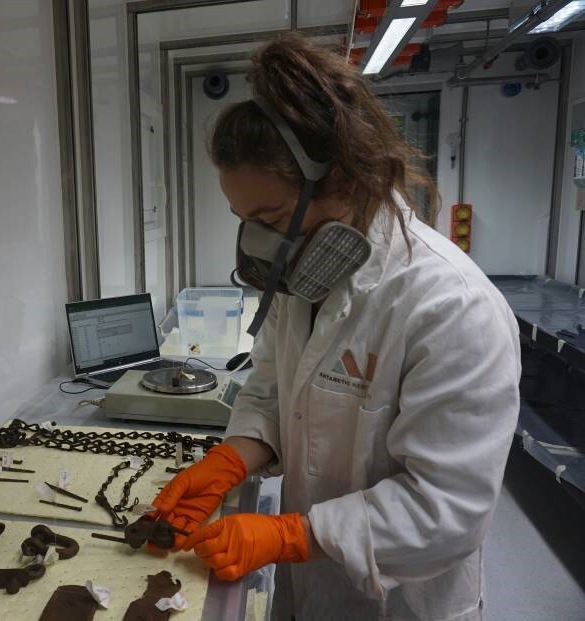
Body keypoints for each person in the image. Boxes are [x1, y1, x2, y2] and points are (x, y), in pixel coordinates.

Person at [152, 33, 520, 620]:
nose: (258, 245)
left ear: (344, 183)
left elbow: (448, 508)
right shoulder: (306, 277)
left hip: (403, 599)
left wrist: (290, 537)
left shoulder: (451, 306)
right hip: (312, 588)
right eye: (244, 221)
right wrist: (233, 460)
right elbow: (274, 385)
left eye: (270, 218)